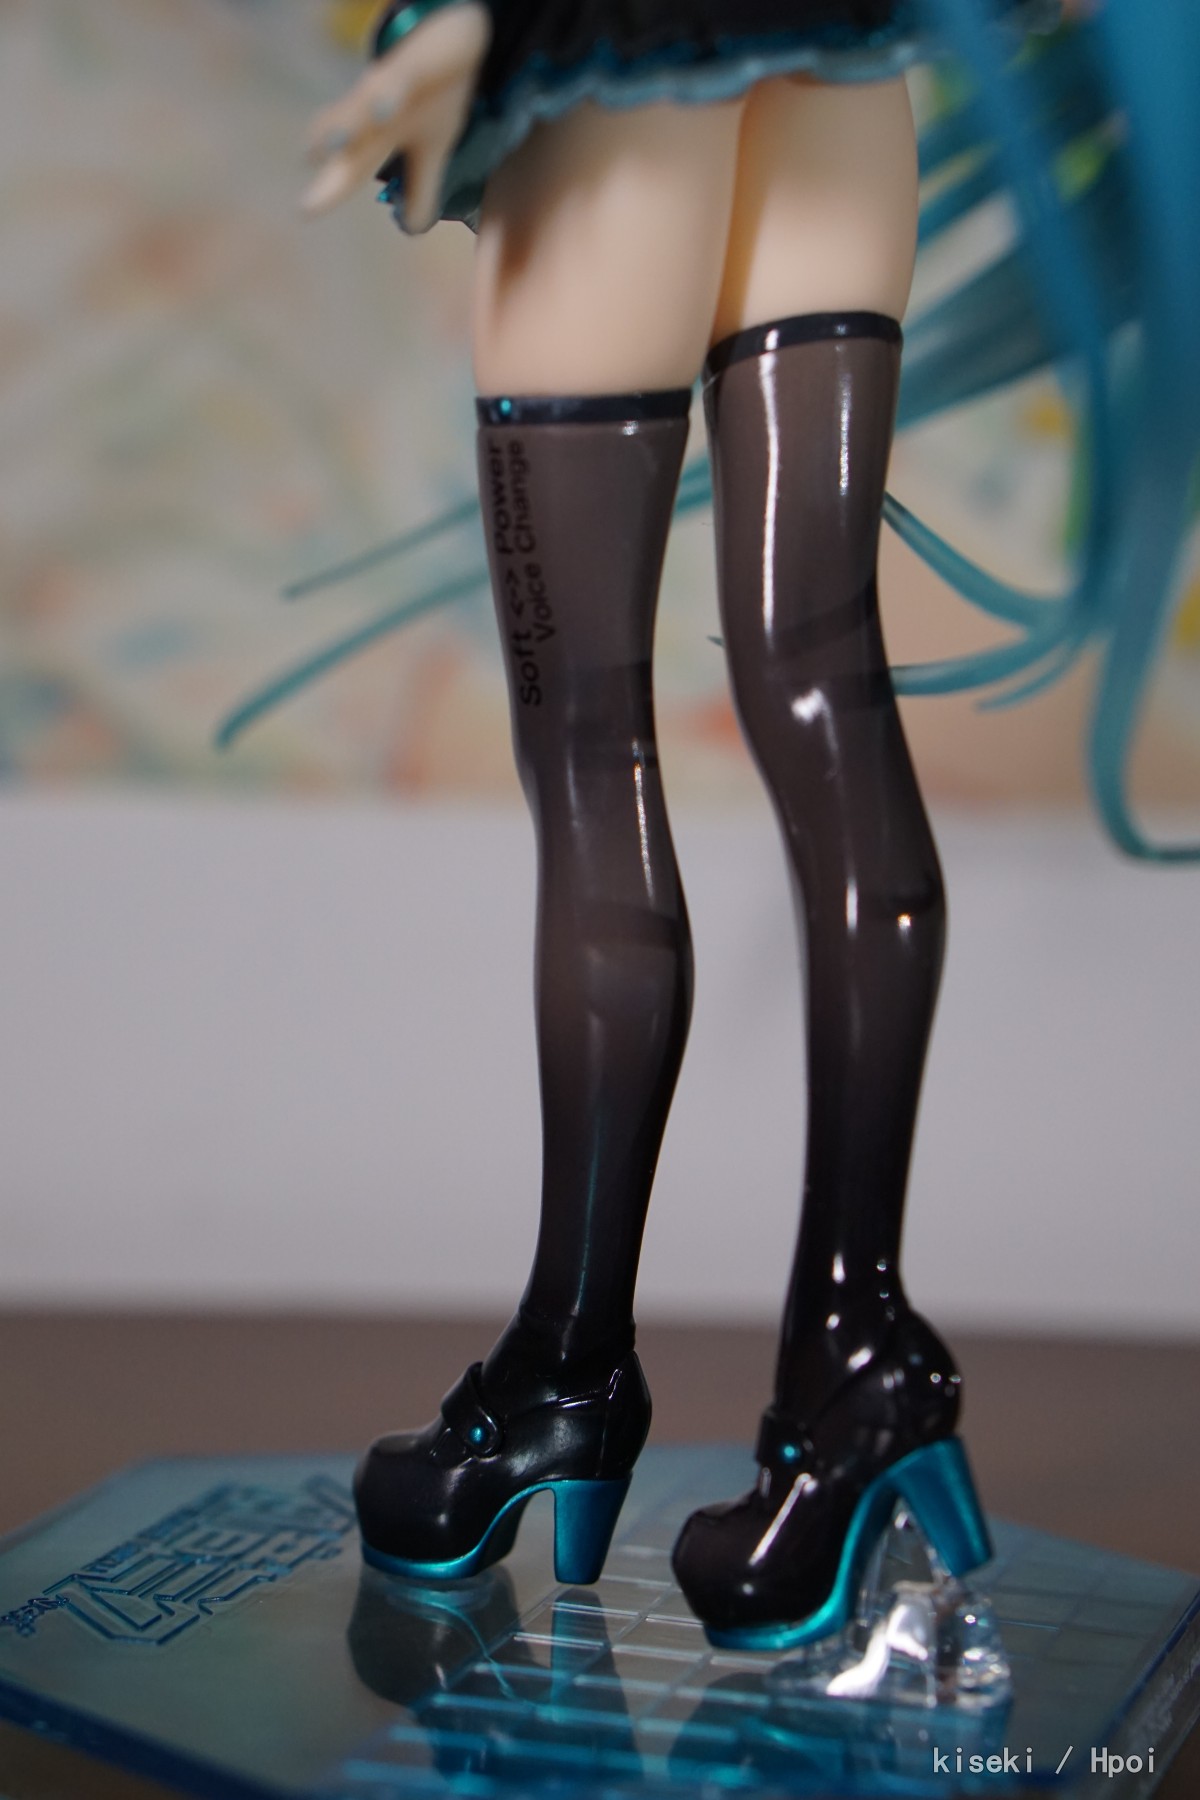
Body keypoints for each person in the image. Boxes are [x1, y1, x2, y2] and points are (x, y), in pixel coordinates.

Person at [294, 0, 1200, 1649]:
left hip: (622, 64)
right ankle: (857, 1358)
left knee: (591, 751)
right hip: (842, 56)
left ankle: (564, 1372)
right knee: (827, 693)